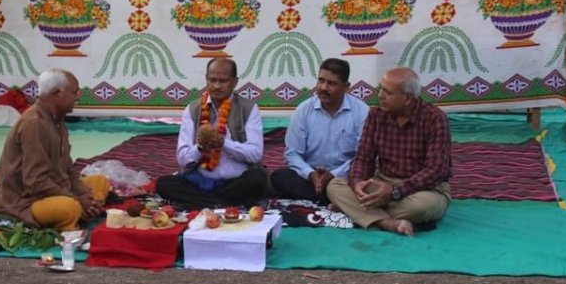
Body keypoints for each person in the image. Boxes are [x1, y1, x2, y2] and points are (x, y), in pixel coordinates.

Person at [326, 67, 451, 236]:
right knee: (335, 186)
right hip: (382, 181)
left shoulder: (435, 118)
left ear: (407, 98)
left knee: (421, 207)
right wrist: (357, 184)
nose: (380, 96)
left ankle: (354, 210)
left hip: (424, 189)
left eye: (388, 92)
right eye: (380, 89)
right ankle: (388, 223)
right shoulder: (376, 115)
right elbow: (363, 157)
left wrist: (395, 192)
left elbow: (436, 171)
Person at [0, 69, 110, 232]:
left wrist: (83, 195)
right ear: (57, 94)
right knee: (69, 207)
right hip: (25, 201)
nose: (78, 96)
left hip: (57, 189)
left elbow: (68, 169)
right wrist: (76, 199)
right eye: (74, 92)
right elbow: (35, 182)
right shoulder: (34, 124)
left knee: (100, 182)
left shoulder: (56, 119)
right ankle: (74, 217)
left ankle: (84, 208)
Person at [156, 58, 266, 208]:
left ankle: (206, 202)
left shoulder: (248, 108)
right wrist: (200, 147)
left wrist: (223, 143)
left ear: (234, 82)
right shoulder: (193, 109)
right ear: (206, 79)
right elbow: (182, 158)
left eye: (223, 81)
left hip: (236, 181)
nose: (216, 86)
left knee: (258, 179)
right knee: (164, 184)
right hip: (200, 180)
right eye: (212, 80)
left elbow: (255, 154)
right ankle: (222, 204)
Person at [270, 58, 369, 204]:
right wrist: (310, 174)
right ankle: (335, 200)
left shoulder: (361, 111)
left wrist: (333, 175)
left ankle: (329, 196)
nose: (323, 87)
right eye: (321, 81)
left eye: (331, 83)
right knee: (279, 176)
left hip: (344, 178)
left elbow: (363, 156)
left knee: (366, 179)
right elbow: (292, 153)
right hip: (310, 178)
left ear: (346, 87)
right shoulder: (304, 110)